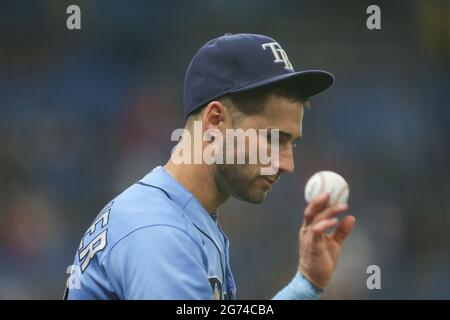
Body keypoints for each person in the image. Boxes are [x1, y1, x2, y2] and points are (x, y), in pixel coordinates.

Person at [65, 33, 355, 300]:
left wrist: (305, 285)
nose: (287, 164)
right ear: (215, 120)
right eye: (272, 138)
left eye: (292, 144)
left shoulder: (178, 216)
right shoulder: (159, 233)